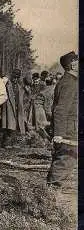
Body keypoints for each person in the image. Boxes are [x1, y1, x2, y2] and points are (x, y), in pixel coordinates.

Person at [47, 51, 78, 188]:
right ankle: (50, 194)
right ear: (72, 65)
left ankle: (49, 191)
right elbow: (60, 109)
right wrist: (58, 133)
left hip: (70, 127)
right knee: (66, 160)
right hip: (67, 130)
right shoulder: (69, 83)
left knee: (65, 160)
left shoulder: (71, 81)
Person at [0, 69, 26, 148]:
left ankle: (13, 142)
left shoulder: (19, 86)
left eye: (17, 78)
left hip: (17, 107)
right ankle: (6, 142)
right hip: (8, 107)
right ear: (12, 76)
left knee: (15, 125)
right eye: (14, 77)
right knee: (8, 125)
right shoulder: (7, 84)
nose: (15, 79)